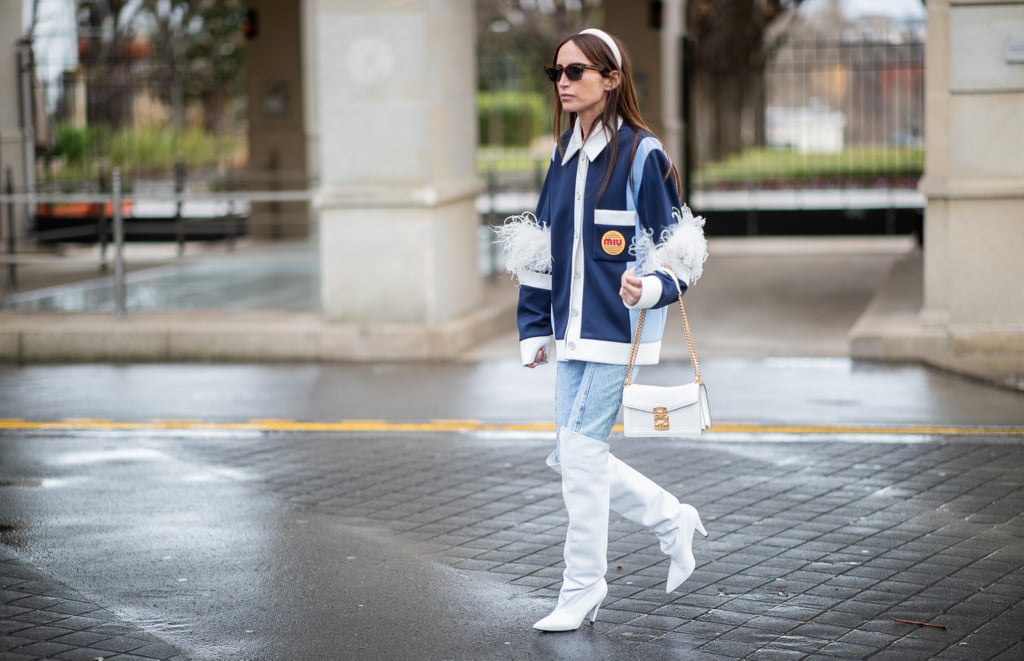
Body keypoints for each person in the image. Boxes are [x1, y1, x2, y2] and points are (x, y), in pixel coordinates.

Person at [495, 28, 709, 633]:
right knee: (572, 457)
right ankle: (672, 520)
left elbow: (680, 249)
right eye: (556, 72)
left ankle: (583, 586)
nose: (563, 82)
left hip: (620, 332)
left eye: (577, 72)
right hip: (570, 332)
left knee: (583, 456)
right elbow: (539, 247)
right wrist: (534, 328)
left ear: (611, 79)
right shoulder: (563, 154)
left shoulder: (645, 154)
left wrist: (652, 286)